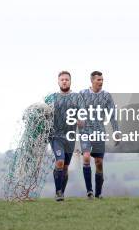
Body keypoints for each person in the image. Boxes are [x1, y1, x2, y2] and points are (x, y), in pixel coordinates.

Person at [45, 71, 85, 201]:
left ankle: (62, 191)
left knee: (66, 167)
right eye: (62, 79)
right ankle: (58, 192)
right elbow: (43, 114)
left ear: (70, 81)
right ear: (58, 81)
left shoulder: (77, 97)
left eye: (66, 79)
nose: (64, 81)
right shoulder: (51, 97)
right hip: (56, 136)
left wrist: (81, 120)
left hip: (70, 137)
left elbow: (83, 113)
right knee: (60, 161)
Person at [80, 71, 119, 199]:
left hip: (99, 133)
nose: (101, 82)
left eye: (102, 80)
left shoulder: (106, 96)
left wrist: (116, 131)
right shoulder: (82, 94)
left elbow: (112, 115)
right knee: (86, 157)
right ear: (92, 81)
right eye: (98, 80)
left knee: (99, 162)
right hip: (85, 132)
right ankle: (89, 192)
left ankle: (98, 193)